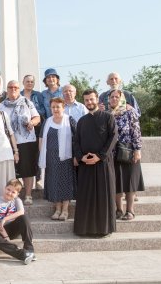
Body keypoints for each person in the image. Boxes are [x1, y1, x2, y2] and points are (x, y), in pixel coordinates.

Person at [73, 89, 118, 237]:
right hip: (86, 165)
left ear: (97, 99)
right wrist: (81, 157)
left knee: (103, 197)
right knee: (86, 197)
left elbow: (113, 138)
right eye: (86, 100)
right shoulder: (81, 121)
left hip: (103, 164)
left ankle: (103, 229)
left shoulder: (107, 118)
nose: (89, 102)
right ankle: (84, 229)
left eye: (92, 99)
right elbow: (76, 141)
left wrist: (100, 156)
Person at [0, 80, 40, 205]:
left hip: (26, 140)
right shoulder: (1, 106)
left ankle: (28, 195)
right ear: (7, 89)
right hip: (8, 142)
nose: (13, 89)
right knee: (12, 170)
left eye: (15, 87)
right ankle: (13, 196)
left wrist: (32, 123)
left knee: (28, 169)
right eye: (10, 87)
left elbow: (37, 117)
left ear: (19, 88)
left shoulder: (27, 102)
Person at [108, 90, 144, 221]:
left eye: (117, 97)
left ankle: (130, 210)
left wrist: (137, 149)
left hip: (129, 151)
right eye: (112, 97)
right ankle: (118, 209)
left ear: (122, 98)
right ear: (108, 99)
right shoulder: (107, 114)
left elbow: (136, 131)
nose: (114, 99)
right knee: (116, 182)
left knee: (130, 182)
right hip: (112, 153)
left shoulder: (130, 111)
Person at [39, 98, 76, 221]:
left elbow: (77, 138)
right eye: (53, 107)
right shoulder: (47, 121)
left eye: (58, 107)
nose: (55, 109)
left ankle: (65, 210)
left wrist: (76, 156)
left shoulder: (69, 120)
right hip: (51, 158)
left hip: (66, 158)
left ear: (63, 107)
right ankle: (57, 209)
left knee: (65, 183)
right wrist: (42, 154)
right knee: (54, 182)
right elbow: (41, 138)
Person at [0, 179, 36, 265]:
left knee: (23, 218)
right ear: (5, 188)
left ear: (17, 194)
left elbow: (21, 212)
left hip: (11, 227)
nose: (9, 193)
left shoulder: (17, 200)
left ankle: (29, 249)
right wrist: (6, 237)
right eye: (8, 190)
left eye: (13, 192)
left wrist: (5, 218)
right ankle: (23, 254)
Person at [21, 74, 45, 189]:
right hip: (22, 130)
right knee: (25, 156)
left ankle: (38, 178)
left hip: (36, 128)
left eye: (31, 81)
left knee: (36, 154)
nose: (29, 83)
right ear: (23, 82)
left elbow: (43, 110)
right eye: (27, 81)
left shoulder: (39, 95)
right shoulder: (19, 95)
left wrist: (32, 114)